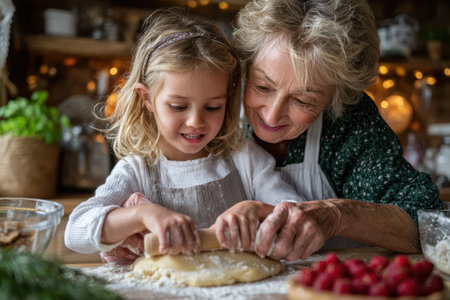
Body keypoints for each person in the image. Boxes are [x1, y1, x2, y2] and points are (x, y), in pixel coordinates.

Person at [64, 8, 304, 263]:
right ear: (147, 98)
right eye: (178, 107)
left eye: (213, 107)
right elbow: (75, 231)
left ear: (229, 97)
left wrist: (257, 212)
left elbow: (296, 214)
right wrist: (143, 216)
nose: (196, 121)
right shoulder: (137, 171)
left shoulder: (245, 159)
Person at [215, 0, 443, 261]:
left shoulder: (347, 120)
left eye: (303, 101)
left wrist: (335, 214)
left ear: (338, 94)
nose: (272, 114)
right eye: (262, 87)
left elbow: (425, 221)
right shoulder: (211, 102)